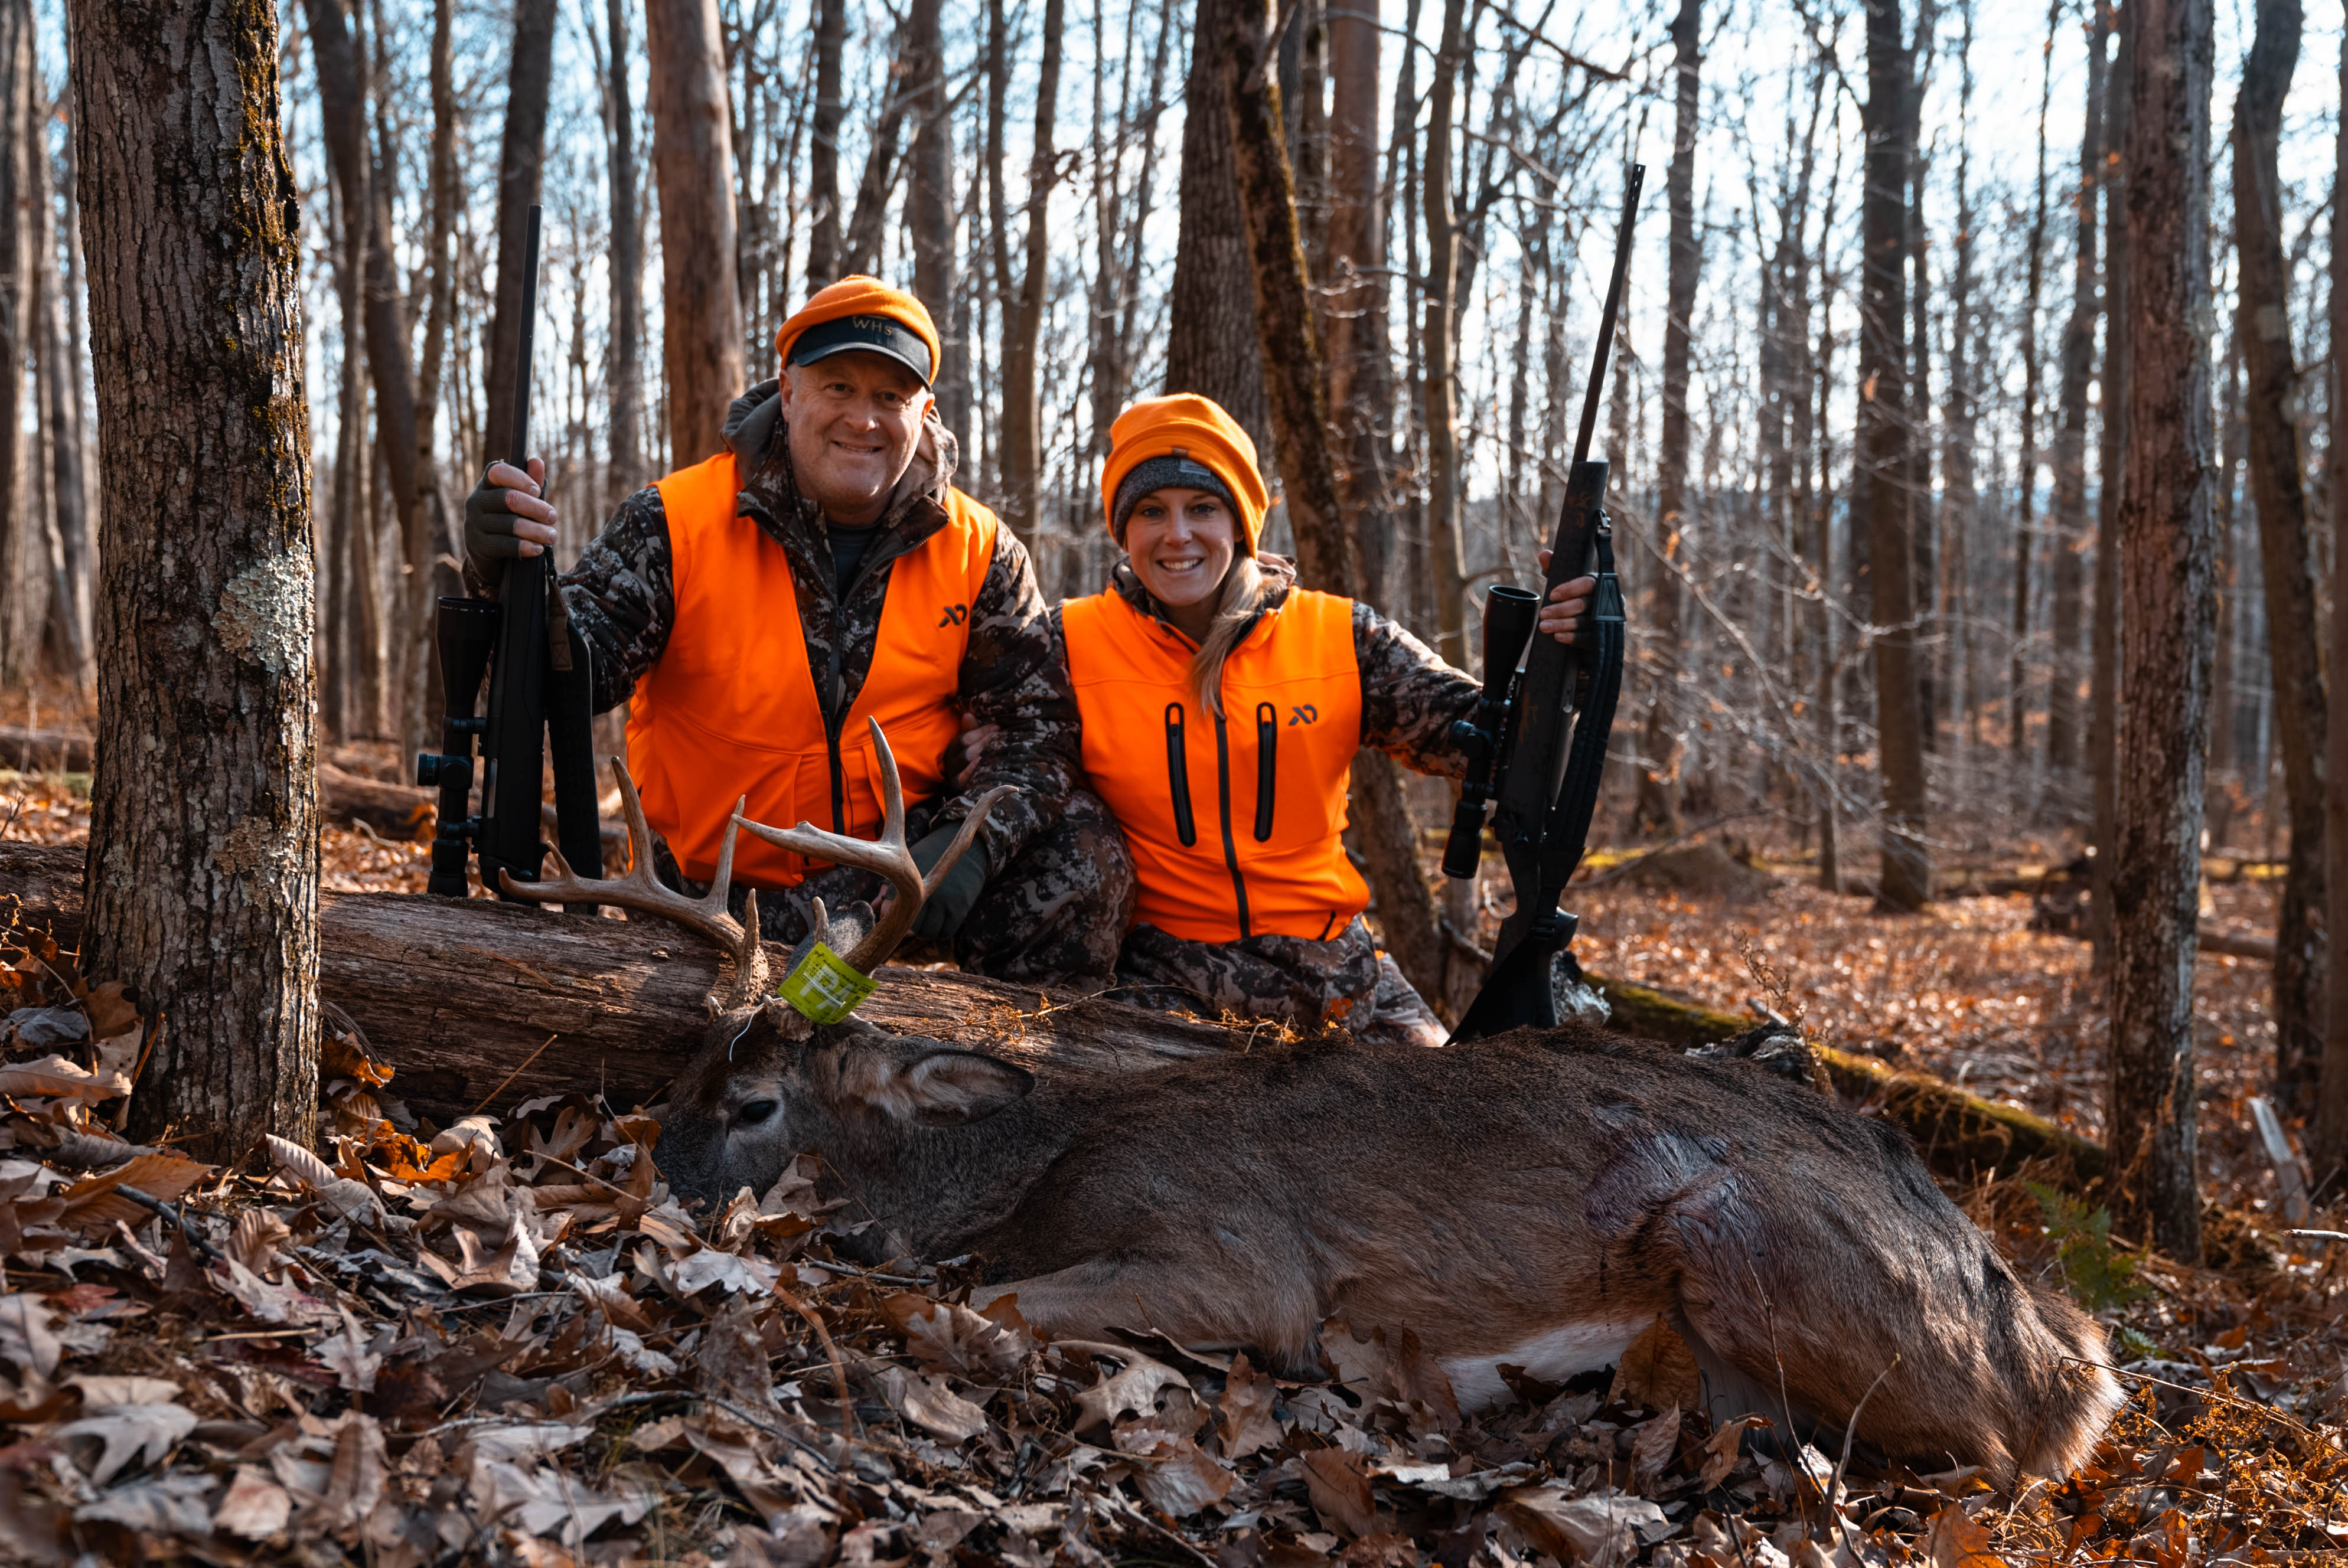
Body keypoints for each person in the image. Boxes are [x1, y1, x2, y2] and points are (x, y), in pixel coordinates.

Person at [462, 276, 1133, 986]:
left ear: (925, 412)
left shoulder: (980, 549)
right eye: (837, 387)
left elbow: (1038, 733)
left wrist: (959, 854)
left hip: (896, 887)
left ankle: (1022, 1071)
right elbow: (568, 673)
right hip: (722, 897)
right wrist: (504, 574)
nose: (863, 420)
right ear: (788, 394)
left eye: (889, 397)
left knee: (1082, 851)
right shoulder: (675, 521)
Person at [983, 393, 1591, 1042]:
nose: (1177, 535)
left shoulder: (1341, 636)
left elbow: (1493, 747)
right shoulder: (1068, 645)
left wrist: (1569, 657)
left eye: (1203, 509)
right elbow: (1006, 765)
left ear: (1242, 522)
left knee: (1463, 1117)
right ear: (1123, 530)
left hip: (1335, 977)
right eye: (1151, 512)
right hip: (1165, 987)